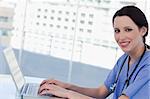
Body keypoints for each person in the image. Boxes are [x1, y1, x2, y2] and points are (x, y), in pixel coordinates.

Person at [38, 5, 150, 99]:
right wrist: (67, 87)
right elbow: (101, 92)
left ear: (143, 30)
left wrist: (68, 94)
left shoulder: (148, 65)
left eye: (128, 30)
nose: (121, 37)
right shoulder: (124, 59)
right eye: (117, 31)